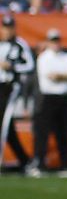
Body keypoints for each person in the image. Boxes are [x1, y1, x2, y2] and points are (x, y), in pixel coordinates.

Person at [33, 28, 67, 176]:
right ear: (48, 42)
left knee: (63, 133)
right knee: (43, 134)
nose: (56, 44)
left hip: (64, 98)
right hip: (48, 98)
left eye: (57, 40)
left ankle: (65, 165)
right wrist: (64, 76)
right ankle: (40, 164)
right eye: (53, 41)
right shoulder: (43, 58)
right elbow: (48, 79)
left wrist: (60, 76)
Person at [0, 13, 33, 172]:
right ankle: (24, 159)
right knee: (7, 127)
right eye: (5, 27)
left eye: (10, 27)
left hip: (11, 87)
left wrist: (12, 67)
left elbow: (30, 66)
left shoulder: (20, 44)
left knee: (4, 123)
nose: (7, 31)